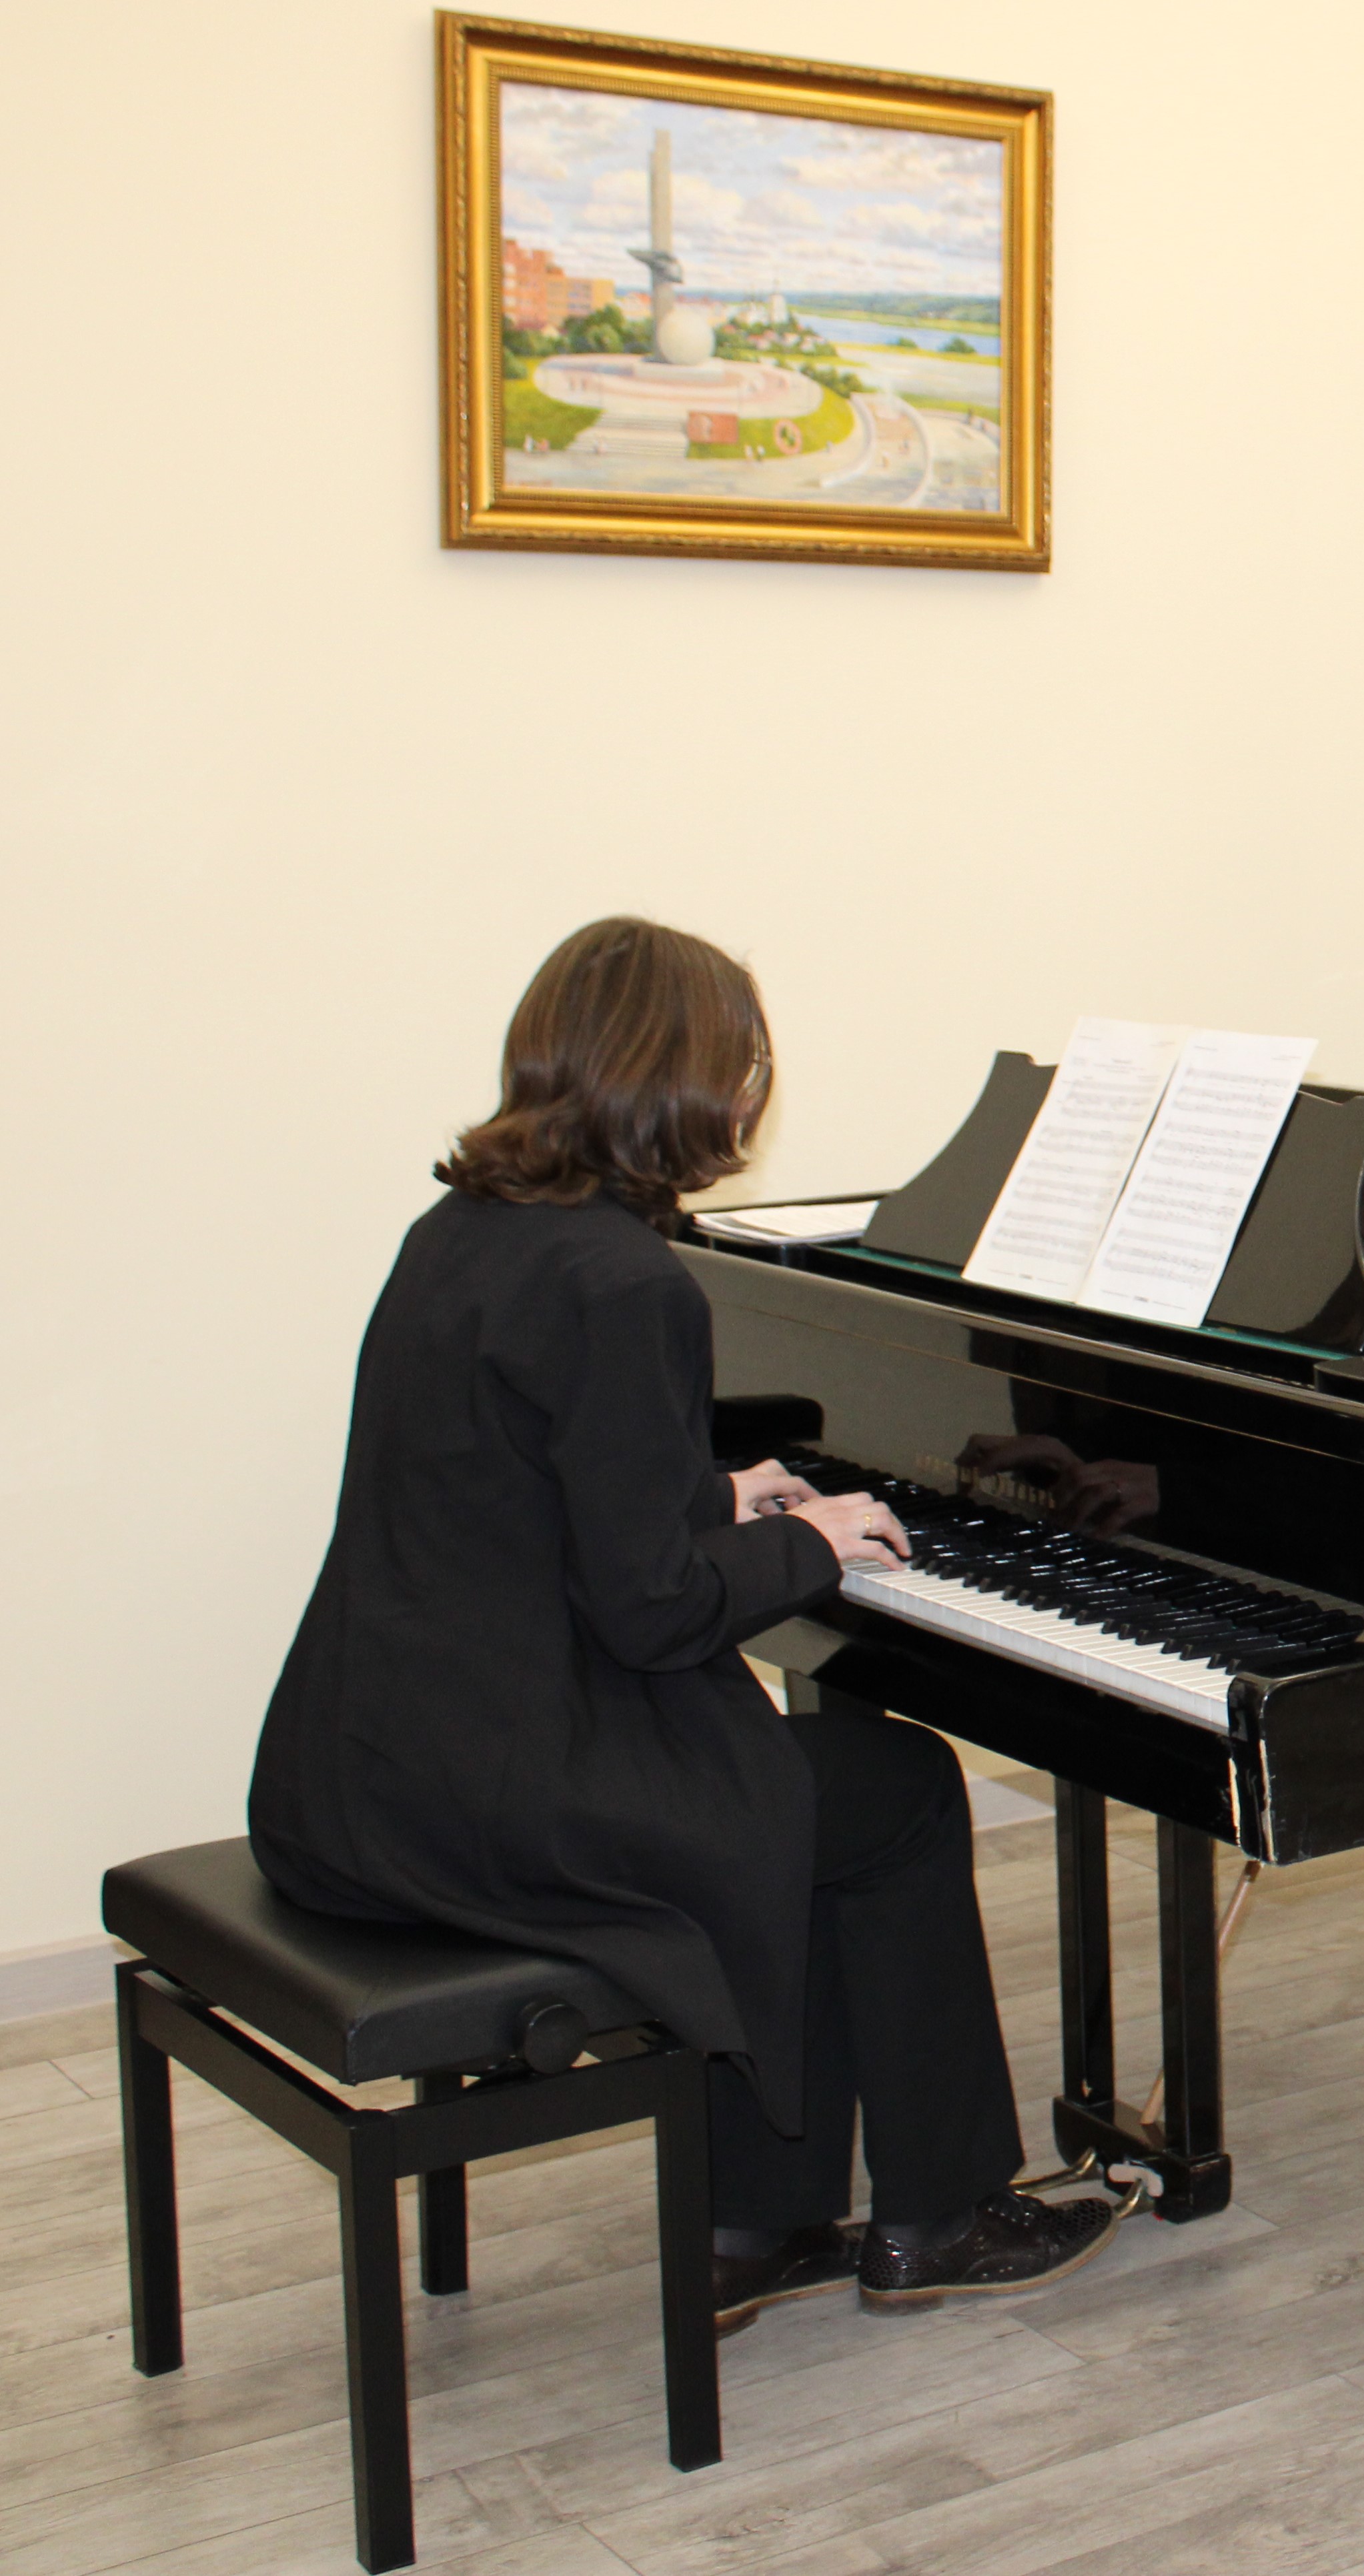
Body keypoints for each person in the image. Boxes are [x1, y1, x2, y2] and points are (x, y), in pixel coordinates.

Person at [248, 918, 1118, 2327]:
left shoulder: (464, 1230)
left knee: (797, 1789)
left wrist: (713, 1495)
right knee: (894, 1792)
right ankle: (941, 2216)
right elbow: (652, 1615)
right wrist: (809, 1544)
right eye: (747, 1065)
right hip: (499, 1805)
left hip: (366, 1769)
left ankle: (755, 2225)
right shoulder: (625, 1280)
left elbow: (517, 1491)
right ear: (697, 1080)